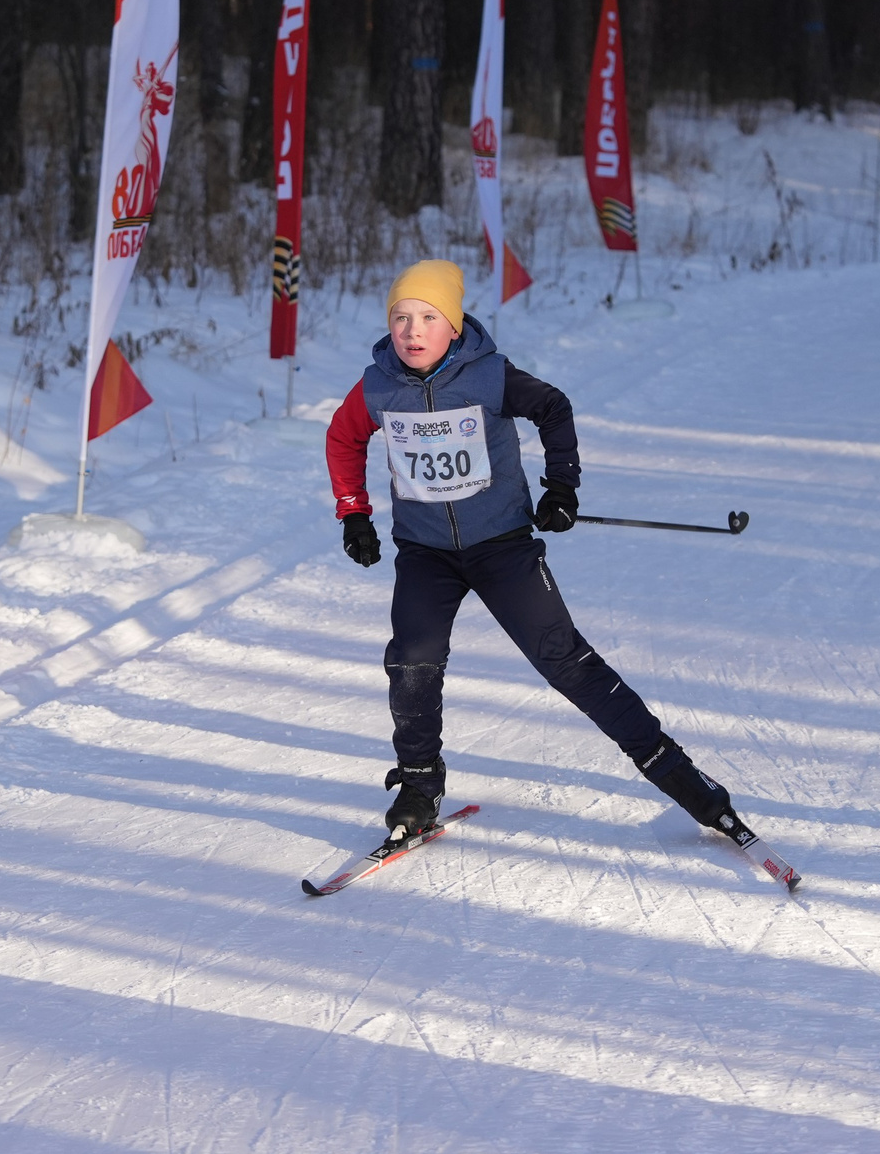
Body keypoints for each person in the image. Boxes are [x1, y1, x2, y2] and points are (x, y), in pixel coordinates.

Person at [323, 258, 765, 855]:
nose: (412, 331)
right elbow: (344, 437)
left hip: (502, 545)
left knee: (566, 662)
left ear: (453, 326)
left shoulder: (489, 376)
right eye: (401, 318)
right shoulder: (376, 385)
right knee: (411, 661)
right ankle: (418, 791)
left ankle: (690, 785)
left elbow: (553, 408)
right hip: (425, 553)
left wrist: (562, 487)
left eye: (428, 317)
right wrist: (353, 512)